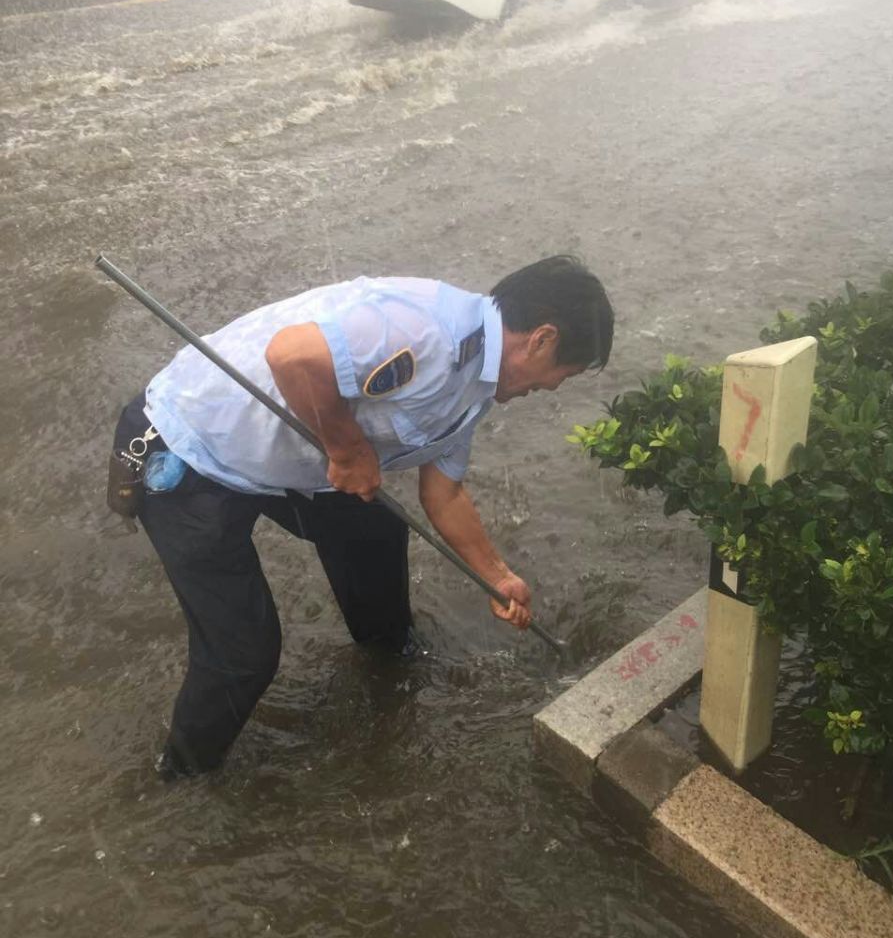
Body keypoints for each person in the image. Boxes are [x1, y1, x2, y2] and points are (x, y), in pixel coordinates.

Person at [111, 255, 614, 779]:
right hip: (189, 445)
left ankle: (388, 666)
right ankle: (181, 780)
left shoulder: (477, 383)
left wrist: (498, 577)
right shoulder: (425, 332)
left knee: (374, 531)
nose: (554, 387)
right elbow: (292, 356)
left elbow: (443, 495)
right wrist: (348, 449)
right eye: (566, 374)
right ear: (542, 339)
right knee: (245, 655)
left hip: (279, 456)